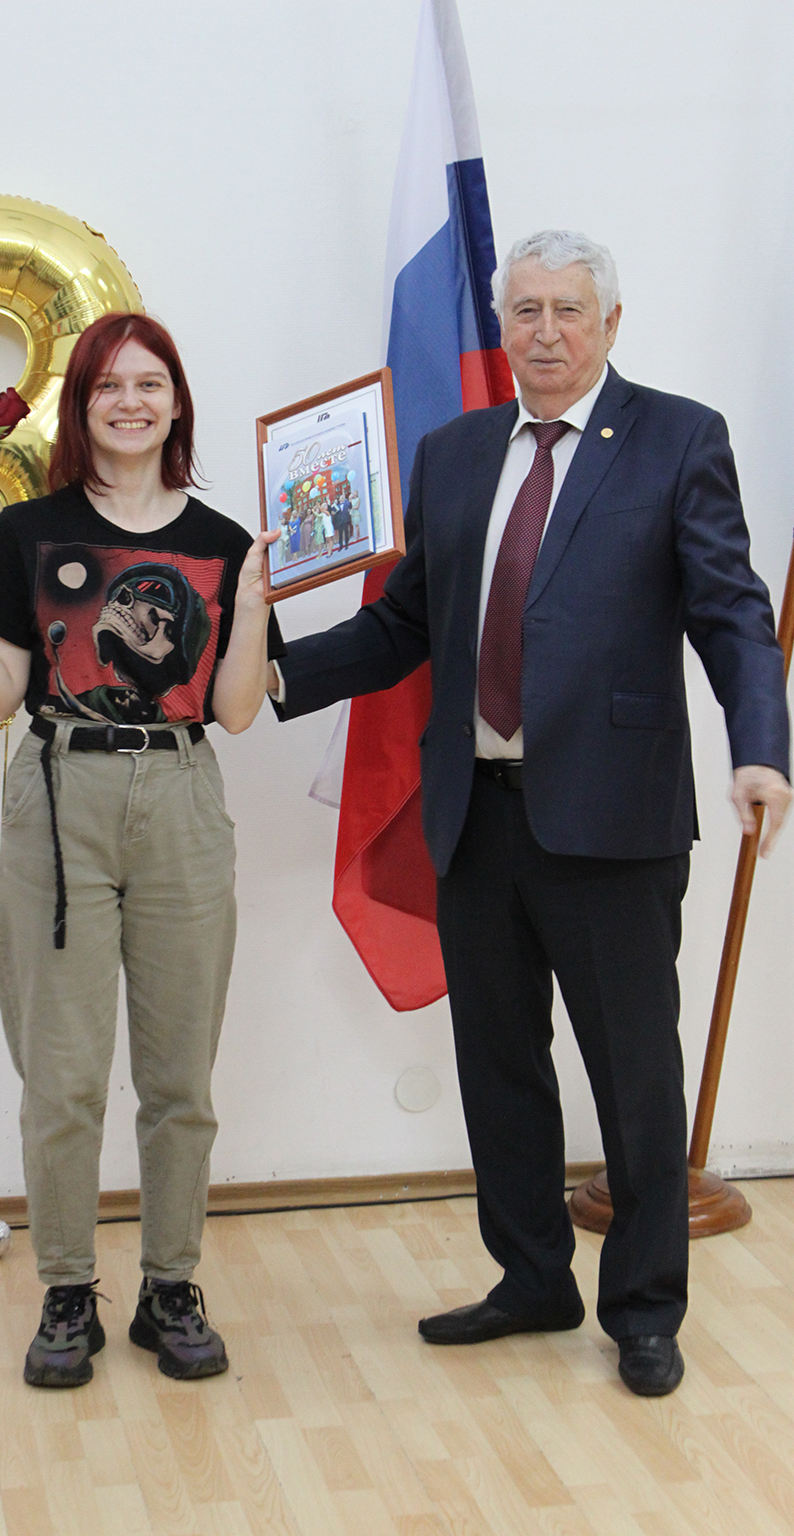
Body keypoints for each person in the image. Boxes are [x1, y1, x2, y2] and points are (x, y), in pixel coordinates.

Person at [267, 231, 791, 1397]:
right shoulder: (454, 453)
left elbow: (730, 611)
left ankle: (643, 1308)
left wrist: (761, 746)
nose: (544, 331)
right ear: (500, 325)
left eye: (567, 309)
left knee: (635, 1080)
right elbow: (406, 624)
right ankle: (531, 1278)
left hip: (612, 822)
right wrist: (275, 670)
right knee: (500, 1067)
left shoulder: (677, 438)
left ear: (610, 323)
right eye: (525, 310)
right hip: (477, 817)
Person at [0, 312, 282, 1389]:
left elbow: (236, 711)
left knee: (180, 1075)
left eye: (149, 383)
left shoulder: (223, 544)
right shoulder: (29, 532)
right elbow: (1, 696)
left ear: (176, 402)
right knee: (60, 1075)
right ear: (82, 405)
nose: (130, 402)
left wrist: (253, 608)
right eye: (109, 385)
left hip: (182, 795)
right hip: (59, 794)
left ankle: (171, 1287)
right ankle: (67, 1290)